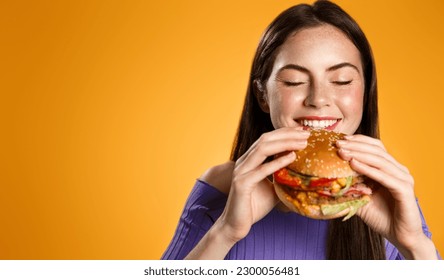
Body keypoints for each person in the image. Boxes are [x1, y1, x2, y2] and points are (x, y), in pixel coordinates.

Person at [161, 0, 440, 260]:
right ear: (262, 96)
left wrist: (414, 243)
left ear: (365, 93)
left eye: (342, 81)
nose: (318, 99)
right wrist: (225, 231)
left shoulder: (386, 192)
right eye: (294, 81)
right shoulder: (223, 187)